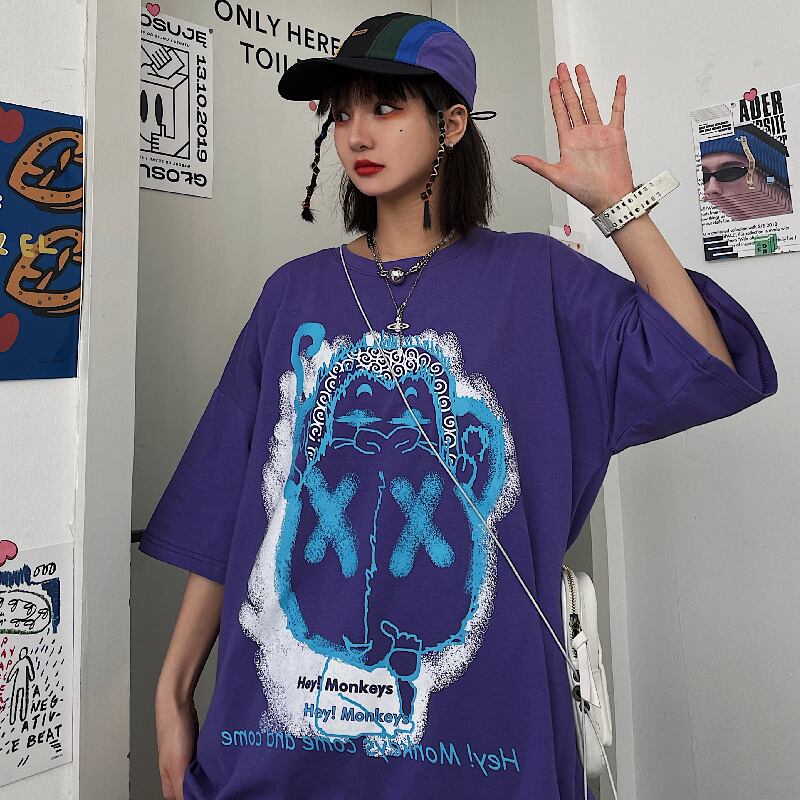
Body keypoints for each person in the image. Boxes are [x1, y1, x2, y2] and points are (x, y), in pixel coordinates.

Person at [138, 12, 779, 800]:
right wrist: (172, 690)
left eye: (385, 107)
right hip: (279, 749)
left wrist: (620, 204)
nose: (356, 133)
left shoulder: (536, 280)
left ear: (450, 124)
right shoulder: (291, 294)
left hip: (483, 746)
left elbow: (704, 363)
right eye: (342, 112)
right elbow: (225, 509)